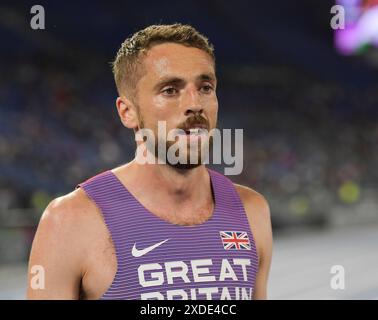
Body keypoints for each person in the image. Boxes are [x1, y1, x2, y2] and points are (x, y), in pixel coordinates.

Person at [27, 24, 272, 300]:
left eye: (205, 87)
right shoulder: (70, 221)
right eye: (170, 90)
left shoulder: (252, 212)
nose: (195, 104)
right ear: (128, 112)